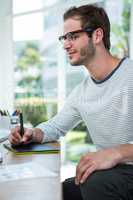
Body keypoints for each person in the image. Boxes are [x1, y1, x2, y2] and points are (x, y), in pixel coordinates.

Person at [9, 3, 133, 200]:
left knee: (94, 184)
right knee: (57, 193)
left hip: (124, 171)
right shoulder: (81, 92)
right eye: (64, 38)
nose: (66, 44)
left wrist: (117, 152)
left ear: (97, 36)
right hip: (108, 173)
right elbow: (56, 127)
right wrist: (32, 133)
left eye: (73, 36)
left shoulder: (130, 75)